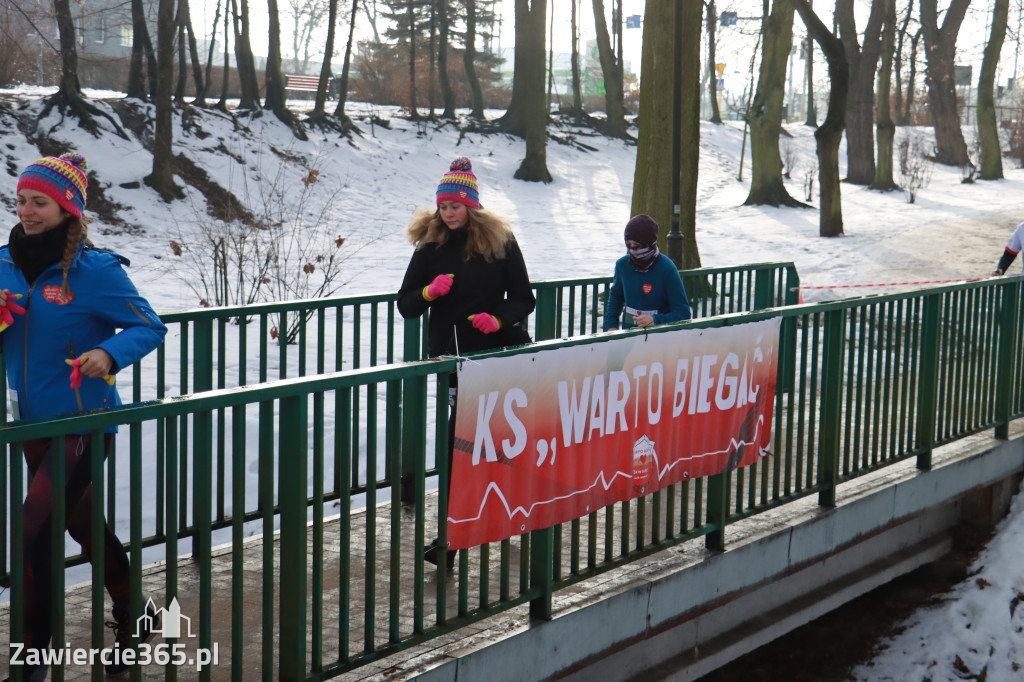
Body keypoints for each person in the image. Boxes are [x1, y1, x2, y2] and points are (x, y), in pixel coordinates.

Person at [2, 153, 168, 680]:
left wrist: (109, 354)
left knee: (34, 536)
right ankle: (136, 611)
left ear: (67, 209)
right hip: (31, 424)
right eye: (21, 200)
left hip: (83, 422)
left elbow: (149, 326)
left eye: (40, 202)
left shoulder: (94, 271)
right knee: (83, 526)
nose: (27, 211)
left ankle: (32, 657)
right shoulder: (3, 264)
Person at [398, 156, 535, 568]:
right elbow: (406, 305)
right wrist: (429, 293)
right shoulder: (430, 247)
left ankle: (512, 515)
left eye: (455, 206)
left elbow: (524, 298)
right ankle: (452, 537)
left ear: (471, 206)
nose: (447, 213)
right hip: (455, 363)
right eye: (442, 206)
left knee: (500, 444)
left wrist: (498, 319)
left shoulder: (501, 242)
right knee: (460, 447)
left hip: (498, 357)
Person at [603, 214, 693, 331]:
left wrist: (656, 320)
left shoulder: (667, 269)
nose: (633, 250)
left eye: (637, 245)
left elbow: (683, 313)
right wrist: (611, 326)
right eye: (629, 245)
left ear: (650, 243)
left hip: (658, 337)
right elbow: (615, 298)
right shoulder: (622, 265)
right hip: (628, 336)